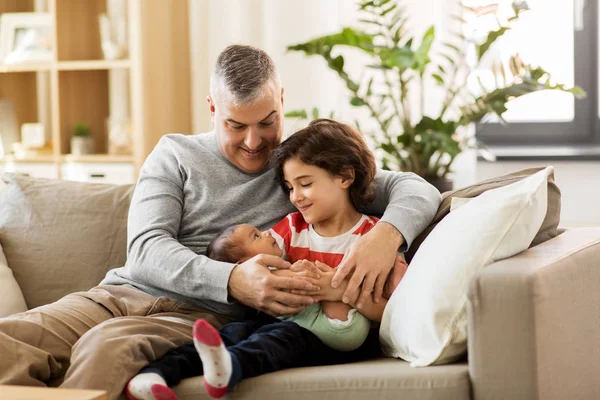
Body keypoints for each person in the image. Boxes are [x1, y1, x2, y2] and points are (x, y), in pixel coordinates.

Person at [0, 44, 441, 400]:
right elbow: (146, 249)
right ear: (212, 108)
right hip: (116, 295)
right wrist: (233, 278)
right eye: (236, 125)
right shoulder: (175, 154)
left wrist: (386, 234)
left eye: (267, 122)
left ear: (281, 101)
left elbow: (418, 189)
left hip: (195, 316)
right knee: (11, 340)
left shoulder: (301, 168)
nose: (254, 142)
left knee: (106, 349)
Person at [126, 119, 409, 400]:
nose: (296, 197)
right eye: (289, 187)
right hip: (291, 322)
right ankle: (156, 374)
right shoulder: (290, 229)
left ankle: (231, 368)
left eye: (306, 184)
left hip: (339, 339)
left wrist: (332, 288)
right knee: (236, 332)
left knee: (278, 340)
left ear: (345, 177)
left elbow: (393, 312)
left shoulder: (375, 239)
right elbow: (254, 263)